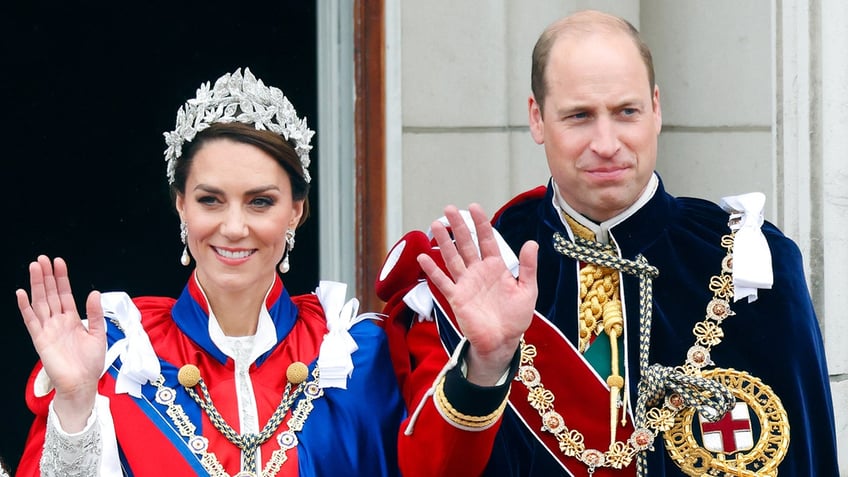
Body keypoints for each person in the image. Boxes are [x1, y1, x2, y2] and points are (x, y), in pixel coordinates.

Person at [375, 10, 839, 477]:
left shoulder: (749, 264)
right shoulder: (486, 266)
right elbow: (431, 469)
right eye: (579, 116)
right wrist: (485, 365)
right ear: (537, 119)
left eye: (626, 112)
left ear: (656, 108)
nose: (606, 142)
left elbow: (809, 454)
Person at [15, 67, 404, 476]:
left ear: (296, 211)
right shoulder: (118, 358)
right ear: (182, 205)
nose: (234, 228)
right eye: (211, 200)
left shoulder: (353, 356)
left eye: (260, 202)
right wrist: (77, 401)